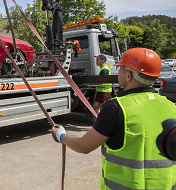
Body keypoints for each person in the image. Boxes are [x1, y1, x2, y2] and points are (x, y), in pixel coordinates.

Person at [52, 48, 176, 189]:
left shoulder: (116, 108)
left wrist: (61, 135)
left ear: (128, 75)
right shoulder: (171, 107)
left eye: (121, 69)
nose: (118, 72)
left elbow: (83, 146)